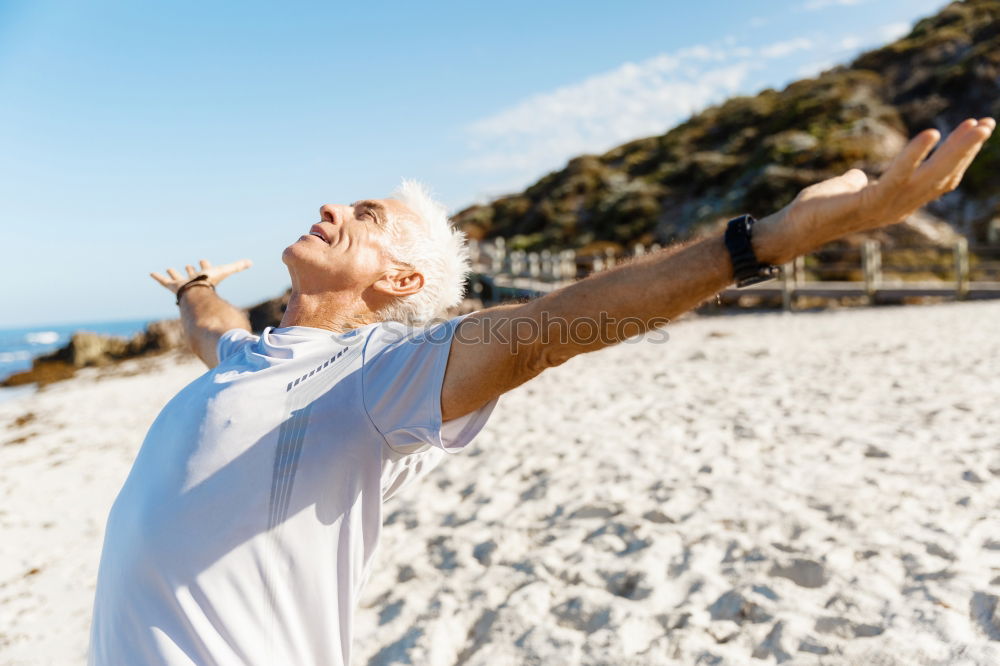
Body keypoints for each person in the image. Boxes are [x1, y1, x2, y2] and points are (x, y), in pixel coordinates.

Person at [87, 118, 995, 665]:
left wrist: (766, 242)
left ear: (402, 284)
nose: (331, 207)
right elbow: (213, 331)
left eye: (365, 217)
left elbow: (562, 323)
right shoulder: (253, 357)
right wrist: (191, 288)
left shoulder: (378, 374)